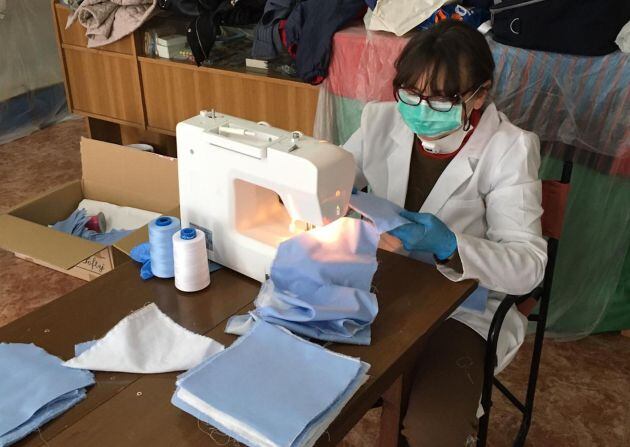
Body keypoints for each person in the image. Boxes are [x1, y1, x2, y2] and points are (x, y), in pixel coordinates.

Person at [343, 20, 547, 446]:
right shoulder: (380, 120)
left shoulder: (511, 149)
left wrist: (451, 246)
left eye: (440, 100)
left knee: (431, 433)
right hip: (384, 283)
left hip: (462, 305)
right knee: (316, 382)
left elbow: (528, 268)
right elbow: (333, 176)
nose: (420, 109)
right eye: (412, 94)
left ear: (480, 94)